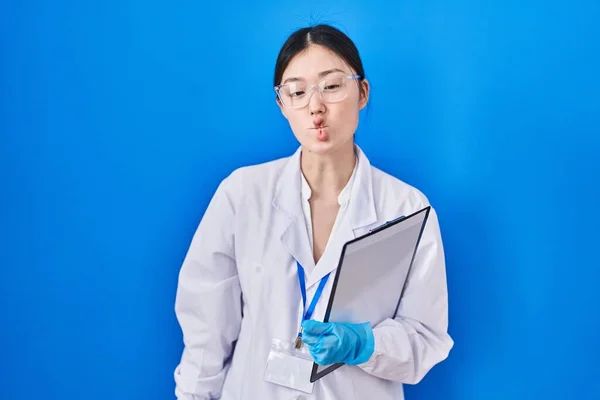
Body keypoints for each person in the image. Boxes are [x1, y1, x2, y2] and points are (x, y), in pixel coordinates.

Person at [173, 24, 453, 400]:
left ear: (363, 92)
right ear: (282, 104)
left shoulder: (406, 209)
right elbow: (206, 330)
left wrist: (365, 344)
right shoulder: (242, 195)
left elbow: (425, 336)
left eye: (332, 86)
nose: (315, 106)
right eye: (297, 92)